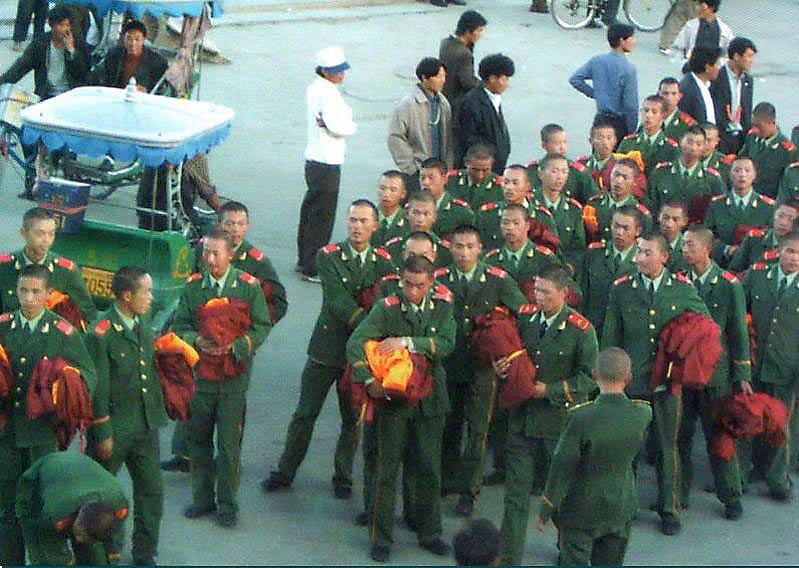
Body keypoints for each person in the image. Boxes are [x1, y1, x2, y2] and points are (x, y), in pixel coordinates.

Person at [263, 201, 395, 499]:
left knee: (352, 418)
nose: (356, 226)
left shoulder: (385, 263)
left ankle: (343, 475)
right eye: (352, 220)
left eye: (363, 221)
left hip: (360, 354)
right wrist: (371, 326)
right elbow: (337, 300)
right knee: (305, 413)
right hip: (328, 348)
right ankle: (286, 470)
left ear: (375, 226)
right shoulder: (329, 256)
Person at [346, 255, 456, 562]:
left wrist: (407, 342)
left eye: (420, 285)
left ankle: (429, 532)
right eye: (408, 284)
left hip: (430, 401)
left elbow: (447, 343)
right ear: (401, 280)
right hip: (393, 401)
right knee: (386, 469)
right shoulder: (386, 308)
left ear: (431, 283)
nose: (413, 291)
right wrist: (367, 379)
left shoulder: (443, 307)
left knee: (429, 469)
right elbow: (356, 344)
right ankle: (381, 537)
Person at [601, 231, 709, 535]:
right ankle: (625, 506)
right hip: (632, 382)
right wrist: (610, 376)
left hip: (666, 383)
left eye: (648, 253)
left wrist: (684, 356)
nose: (640, 258)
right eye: (639, 252)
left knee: (666, 447)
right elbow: (611, 335)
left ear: (664, 256)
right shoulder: (622, 290)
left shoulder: (682, 290)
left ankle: (669, 508)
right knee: (628, 449)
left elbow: (704, 327)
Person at [498, 265, 599, 565]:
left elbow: (589, 379)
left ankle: (569, 551)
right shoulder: (525, 318)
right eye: (536, 290)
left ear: (564, 293)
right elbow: (513, 355)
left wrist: (550, 390)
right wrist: (501, 368)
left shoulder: (582, 330)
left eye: (546, 292)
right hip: (522, 420)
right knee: (515, 496)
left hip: (558, 424)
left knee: (561, 496)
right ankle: (509, 557)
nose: (539, 297)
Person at [171, 228, 271, 528]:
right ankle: (202, 499)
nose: (210, 259)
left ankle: (227, 504)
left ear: (231, 255)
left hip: (232, 380)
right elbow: (180, 325)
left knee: (228, 446)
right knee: (198, 439)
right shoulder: (194, 287)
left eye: (216, 253)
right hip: (201, 377)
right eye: (206, 252)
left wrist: (239, 346)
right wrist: (195, 340)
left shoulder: (247, 287)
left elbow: (262, 326)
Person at [0, 263, 97, 565]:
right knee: (6, 506)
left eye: (35, 292)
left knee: (41, 506)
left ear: (48, 294)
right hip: (7, 434)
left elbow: (88, 376)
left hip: (42, 436)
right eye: (23, 291)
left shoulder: (63, 332)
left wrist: (64, 387)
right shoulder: (3, 325)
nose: (28, 298)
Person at [438, 224, 527, 516]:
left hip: (482, 369)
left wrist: (507, 354)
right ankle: (447, 478)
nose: (464, 253)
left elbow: (523, 314)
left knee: (478, 431)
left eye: (470, 247)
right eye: (459, 247)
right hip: (449, 364)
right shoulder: (440, 280)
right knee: (448, 426)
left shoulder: (497, 280)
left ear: (480, 249)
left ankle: (469, 490)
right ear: (450, 248)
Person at [534, 348, 651, 566]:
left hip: (582, 507)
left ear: (595, 374)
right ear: (629, 378)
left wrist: (546, 509)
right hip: (621, 504)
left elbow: (562, 466)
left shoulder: (581, 418)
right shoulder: (642, 413)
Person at [86, 267, 166, 565]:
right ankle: (107, 549)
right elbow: (99, 388)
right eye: (146, 291)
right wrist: (102, 431)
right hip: (115, 429)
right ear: (127, 295)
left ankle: (146, 551)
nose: (151, 297)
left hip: (145, 425)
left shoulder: (141, 320)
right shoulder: (100, 334)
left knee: (152, 492)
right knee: (105, 494)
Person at [679, 225, 748, 519]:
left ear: (707, 248)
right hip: (682, 371)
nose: (684, 250)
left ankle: (731, 495)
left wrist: (741, 374)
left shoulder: (728, 284)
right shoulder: (678, 280)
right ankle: (677, 493)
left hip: (715, 374)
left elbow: (738, 331)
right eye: (683, 245)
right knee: (679, 436)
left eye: (690, 245)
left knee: (718, 435)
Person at [741, 230, 799, 502]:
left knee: (779, 423)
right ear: (780, 251)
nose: (794, 258)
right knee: (750, 418)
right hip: (755, 361)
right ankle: (745, 471)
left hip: (786, 366)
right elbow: (739, 305)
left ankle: (778, 479)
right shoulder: (759, 274)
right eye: (790, 251)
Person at [297, 46, 357, 282]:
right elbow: (339, 126)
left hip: (314, 159)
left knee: (310, 211)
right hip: (327, 160)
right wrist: (351, 125)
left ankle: (304, 258)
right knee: (322, 216)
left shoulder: (315, 88)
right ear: (325, 71)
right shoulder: (329, 93)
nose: (341, 74)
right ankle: (313, 265)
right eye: (337, 71)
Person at [15, 452, 129, 565]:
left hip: (82, 477)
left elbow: (114, 539)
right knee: (43, 556)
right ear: (79, 517)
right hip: (36, 483)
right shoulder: (55, 515)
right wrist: (66, 560)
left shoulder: (119, 508)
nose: (77, 539)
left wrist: (111, 553)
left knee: (95, 555)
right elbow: (52, 548)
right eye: (79, 533)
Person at [0, 207, 97, 328]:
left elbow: (88, 315)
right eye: (40, 234)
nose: (46, 240)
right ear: (23, 233)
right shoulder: (4, 267)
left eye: (51, 234)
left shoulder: (66, 272)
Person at [388, 57, 454, 191]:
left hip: (440, 170)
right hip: (419, 170)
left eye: (444, 76)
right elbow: (395, 137)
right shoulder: (408, 105)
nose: (443, 80)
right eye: (438, 76)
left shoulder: (443, 103)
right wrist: (411, 168)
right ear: (424, 78)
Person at [0, 4, 91, 100]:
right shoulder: (40, 44)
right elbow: (20, 68)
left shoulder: (78, 43)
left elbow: (84, 73)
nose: (65, 29)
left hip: (71, 95)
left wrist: (72, 52)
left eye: (67, 25)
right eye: (61, 25)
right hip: (46, 95)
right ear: (51, 25)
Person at [577, 205, 642, 338]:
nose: (619, 232)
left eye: (625, 228)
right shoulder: (594, 254)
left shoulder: (643, 261)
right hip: (593, 330)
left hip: (625, 335)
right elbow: (581, 294)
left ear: (638, 231)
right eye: (616, 226)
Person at [569, 23, 638, 142]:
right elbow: (631, 105)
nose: (634, 41)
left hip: (600, 120)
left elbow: (575, 79)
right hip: (619, 124)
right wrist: (632, 130)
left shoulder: (597, 61)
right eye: (631, 38)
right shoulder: (628, 69)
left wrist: (596, 93)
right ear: (622, 40)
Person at [705, 156, 775, 264]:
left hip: (755, 264)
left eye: (747, 170)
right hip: (723, 263)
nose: (742, 175)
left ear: (754, 175)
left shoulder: (767, 207)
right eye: (737, 170)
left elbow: (772, 239)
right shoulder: (717, 204)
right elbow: (707, 236)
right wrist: (726, 249)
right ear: (730, 174)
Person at [647, 125, 724, 219]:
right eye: (689, 142)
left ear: (703, 147)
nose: (693, 148)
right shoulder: (660, 173)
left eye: (698, 144)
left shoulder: (712, 179)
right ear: (680, 141)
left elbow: (718, 211)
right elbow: (651, 206)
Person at [475, 164, 557, 252]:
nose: (509, 187)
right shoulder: (487, 214)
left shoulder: (541, 216)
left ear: (528, 186)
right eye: (506, 182)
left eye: (515, 183)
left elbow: (552, 249)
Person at [457, 53, 514, 174]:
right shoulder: (472, 103)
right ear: (492, 78)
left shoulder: (494, 98)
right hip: (482, 170)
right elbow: (469, 138)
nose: (507, 84)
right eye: (505, 79)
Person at [439, 10, 486, 150]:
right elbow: (468, 82)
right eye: (479, 30)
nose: (480, 34)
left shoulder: (446, 43)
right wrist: (484, 85)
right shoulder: (464, 54)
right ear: (468, 31)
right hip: (456, 102)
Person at [739, 102, 799, 199]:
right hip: (747, 196)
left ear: (772, 123)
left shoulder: (787, 151)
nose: (755, 130)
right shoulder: (752, 138)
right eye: (753, 125)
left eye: (759, 126)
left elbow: (789, 182)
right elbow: (741, 159)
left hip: (770, 200)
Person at [584, 159, 653, 243]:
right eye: (616, 175)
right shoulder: (594, 204)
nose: (618, 181)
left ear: (634, 182)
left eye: (625, 177)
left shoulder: (642, 216)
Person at [536, 153, 587, 268]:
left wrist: (569, 268)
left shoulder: (573, 209)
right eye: (554, 171)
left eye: (564, 172)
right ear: (540, 174)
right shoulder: (529, 205)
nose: (560, 177)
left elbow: (578, 248)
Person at [528, 124, 599, 205]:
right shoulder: (531, 171)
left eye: (564, 142)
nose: (562, 147)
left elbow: (594, 201)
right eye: (557, 143)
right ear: (544, 145)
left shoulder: (577, 173)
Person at [89, 19, 166, 92]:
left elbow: (161, 88)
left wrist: (146, 90)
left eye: (137, 39)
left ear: (143, 40)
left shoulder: (156, 62)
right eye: (129, 38)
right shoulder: (114, 54)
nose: (132, 43)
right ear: (124, 38)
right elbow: (100, 76)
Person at [384, 191, 454, 269]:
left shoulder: (445, 252)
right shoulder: (393, 248)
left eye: (426, 214)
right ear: (407, 214)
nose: (420, 219)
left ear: (434, 217)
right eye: (416, 213)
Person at [710, 37, 756, 154]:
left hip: (740, 138)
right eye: (749, 56)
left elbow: (747, 110)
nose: (752, 60)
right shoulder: (717, 77)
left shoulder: (747, 80)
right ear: (736, 56)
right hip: (722, 137)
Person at [728, 200, 799, 273]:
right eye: (780, 216)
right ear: (773, 216)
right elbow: (733, 270)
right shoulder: (754, 238)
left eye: (790, 219)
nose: (783, 223)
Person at [617, 95, 679, 177]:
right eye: (646, 111)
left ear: (663, 115)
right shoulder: (628, 143)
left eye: (654, 112)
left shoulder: (670, 148)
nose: (648, 115)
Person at [420, 158, 474, 239]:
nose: (425, 182)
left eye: (431, 178)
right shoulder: (413, 208)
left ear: (445, 179)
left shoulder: (460, 211)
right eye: (422, 178)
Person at [446, 143, 503, 211]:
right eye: (475, 169)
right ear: (466, 162)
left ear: (492, 164)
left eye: (485, 170)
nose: (479, 175)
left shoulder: (501, 186)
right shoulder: (449, 180)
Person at [678, 46, 722, 125]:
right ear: (708, 67)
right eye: (718, 64)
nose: (719, 68)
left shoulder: (709, 85)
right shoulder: (687, 89)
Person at [372, 170, 409, 247]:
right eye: (382, 188)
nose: (386, 194)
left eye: (393, 190)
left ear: (403, 194)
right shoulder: (368, 217)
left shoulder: (409, 221)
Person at [659, 77, 698, 141]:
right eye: (665, 93)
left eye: (674, 94)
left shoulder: (688, 124)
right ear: (659, 94)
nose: (669, 98)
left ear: (679, 96)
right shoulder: (651, 119)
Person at [658, 198, 690, 273]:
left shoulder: (689, 249)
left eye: (675, 219)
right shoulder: (646, 243)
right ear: (659, 217)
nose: (669, 224)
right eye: (665, 218)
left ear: (684, 221)